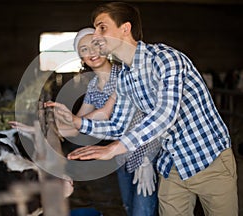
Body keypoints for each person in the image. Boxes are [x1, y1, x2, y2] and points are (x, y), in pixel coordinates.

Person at [46, 2, 238, 216]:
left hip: (208, 159)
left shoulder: (165, 59)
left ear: (125, 29)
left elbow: (165, 115)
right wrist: (77, 122)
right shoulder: (125, 78)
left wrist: (115, 148)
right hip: (171, 164)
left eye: (102, 28)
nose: (96, 36)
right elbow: (119, 125)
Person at [12, 27, 160, 216]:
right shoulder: (92, 85)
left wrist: (147, 159)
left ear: (105, 48)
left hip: (145, 151)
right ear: (81, 58)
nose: (91, 52)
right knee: (130, 208)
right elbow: (78, 126)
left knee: (143, 211)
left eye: (95, 45)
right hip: (121, 155)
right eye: (84, 49)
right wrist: (38, 130)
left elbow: (108, 115)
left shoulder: (125, 75)